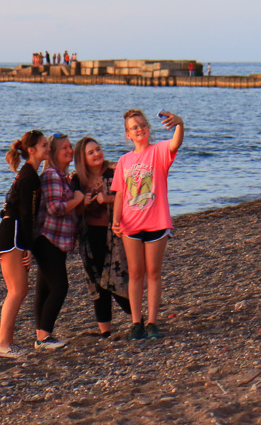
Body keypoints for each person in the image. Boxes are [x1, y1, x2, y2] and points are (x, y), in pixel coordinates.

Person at [111, 109, 184, 340]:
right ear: (128, 134)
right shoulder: (124, 160)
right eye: (134, 127)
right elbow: (121, 194)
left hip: (156, 223)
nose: (139, 129)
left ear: (148, 128)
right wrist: (115, 220)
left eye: (142, 125)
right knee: (135, 274)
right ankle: (136, 322)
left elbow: (175, 143)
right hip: (130, 226)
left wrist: (180, 124)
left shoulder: (159, 151)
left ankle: (152, 322)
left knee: (153, 273)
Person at [0, 129, 49, 359]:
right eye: (44, 146)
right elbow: (26, 215)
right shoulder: (29, 177)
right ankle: (3, 344)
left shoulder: (27, 174)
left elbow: (16, 209)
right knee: (17, 290)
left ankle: (7, 343)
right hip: (12, 233)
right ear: (32, 150)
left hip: (9, 231)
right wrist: (27, 247)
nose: (48, 149)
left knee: (18, 290)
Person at [71, 137, 131, 337]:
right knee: (96, 282)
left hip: (114, 234)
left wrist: (109, 199)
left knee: (117, 279)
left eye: (97, 149)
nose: (97, 154)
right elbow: (73, 212)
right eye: (90, 152)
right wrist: (83, 203)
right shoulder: (77, 180)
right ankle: (105, 331)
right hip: (89, 237)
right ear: (82, 159)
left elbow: (133, 196)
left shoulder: (116, 170)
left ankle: (138, 319)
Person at [32, 133, 86, 350]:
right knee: (60, 286)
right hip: (48, 238)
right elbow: (56, 208)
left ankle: (41, 335)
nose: (70, 151)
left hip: (54, 239)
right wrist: (78, 199)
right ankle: (44, 337)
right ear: (53, 153)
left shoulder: (61, 176)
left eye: (70, 147)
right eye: (64, 148)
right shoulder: (52, 175)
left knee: (44, 287)